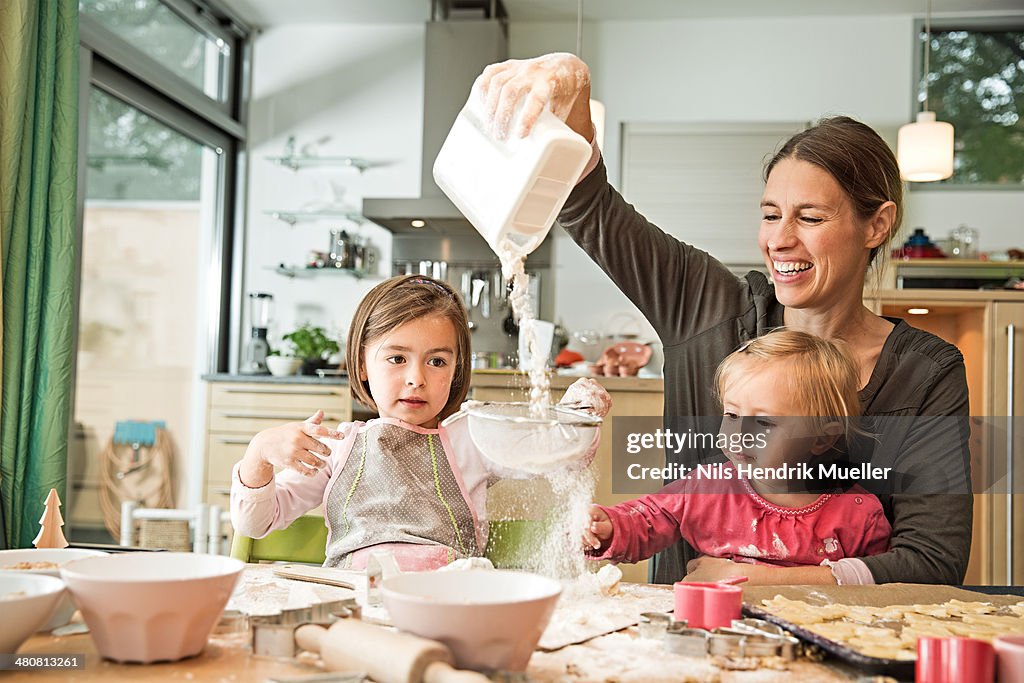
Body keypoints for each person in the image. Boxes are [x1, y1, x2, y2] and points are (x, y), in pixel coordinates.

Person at [477, 53, 971, 586]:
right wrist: (568, 103)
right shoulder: (705, 304)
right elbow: (588, 204)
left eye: (809, 217)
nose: (779, 238)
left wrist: (749, 578)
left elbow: (932, 562)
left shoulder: (926, 371)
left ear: (877, 225)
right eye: (769, 214)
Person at [231, 274, 610, 571]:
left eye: (437, 361)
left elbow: (560, 456)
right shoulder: (336, 447)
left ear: (456, 369)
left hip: (448, 606)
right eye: (397, 359)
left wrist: (580, 415)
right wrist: (259, 454)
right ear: (362, 365)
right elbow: (257, 522)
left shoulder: (472, 437)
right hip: (355, 605)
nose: (417, 378)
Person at [584, 330, 891, 583]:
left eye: (766, 422)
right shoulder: (708, 487)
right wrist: (609, 526)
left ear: (822, 438)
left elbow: (878, 591)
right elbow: (648, 519)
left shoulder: (859, 515)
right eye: (732, 414)